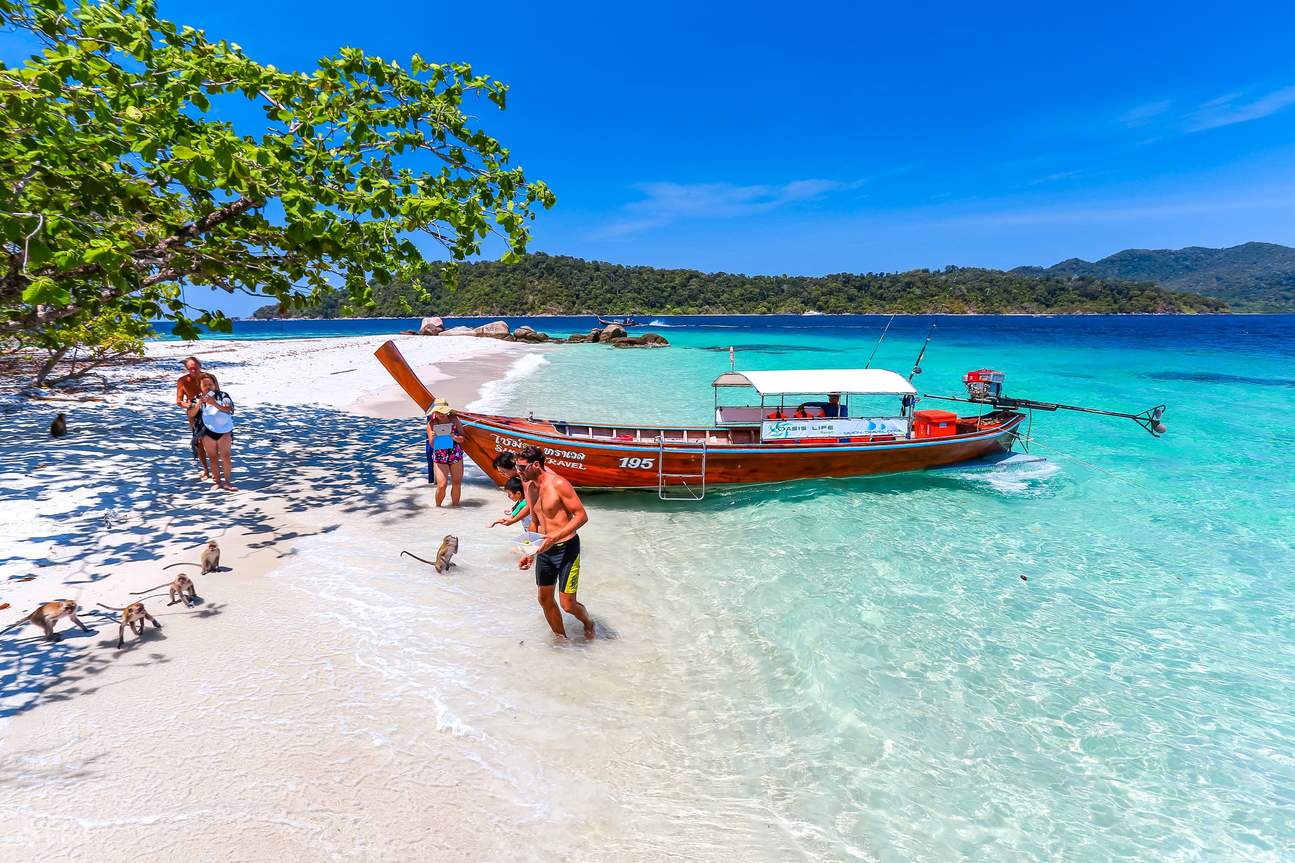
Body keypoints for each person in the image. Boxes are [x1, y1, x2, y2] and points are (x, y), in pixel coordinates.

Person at [515, 445, 594, 640]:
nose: (519, 472)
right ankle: (562, 641)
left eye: (522, 467)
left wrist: (554, 537)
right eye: (516, 467)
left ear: (536, 464)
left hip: (566, 548)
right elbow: (534, 522)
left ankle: (588, 622)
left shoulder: (559, 484)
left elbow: (581, 516)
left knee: (567, 604)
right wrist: (529, 552)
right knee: (544, 599)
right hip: (544, 550)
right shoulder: (531, 488)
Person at [187, 372, 236, 491]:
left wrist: (214, 403)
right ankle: (217, 481)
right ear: (200, 386)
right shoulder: (197, 398)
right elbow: (190, 414)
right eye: (205, 384)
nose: (208, 386)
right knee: (213, 458)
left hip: (224, 430)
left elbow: (229, 410)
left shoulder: (223, 396)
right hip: (207, 431)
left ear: (215, 384)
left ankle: (228, 482)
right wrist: (199, 404)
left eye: (210, 384)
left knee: (226, 456)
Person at [425, 398, 465, 507]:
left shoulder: (454, 420)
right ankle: (438, 509)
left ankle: (456, 508)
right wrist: (433, 438)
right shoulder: (432, 424)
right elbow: (432, 445)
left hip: (455, 454)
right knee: (442, 485)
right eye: (437, 412)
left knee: (456, 484)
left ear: (447, 411)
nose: (440, 414)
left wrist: (454, 437)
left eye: (442, 411)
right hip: (440, 455)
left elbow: (462, 438)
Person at [175, 356, 210, 478]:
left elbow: (218, 394)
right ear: (187, 369)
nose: (193, 371)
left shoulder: (208, 377)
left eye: (195, 368)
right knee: (199, 441)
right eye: (190, 369)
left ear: (200, 366)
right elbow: (179, 401)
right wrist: (190, 405)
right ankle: (206, 469)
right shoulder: (182, 381)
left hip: (211, 411)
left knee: (214, 440)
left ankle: (216, 466)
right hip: (194, 414)